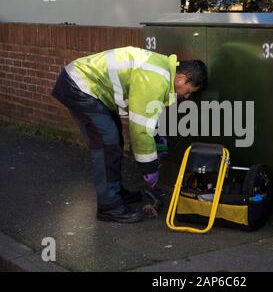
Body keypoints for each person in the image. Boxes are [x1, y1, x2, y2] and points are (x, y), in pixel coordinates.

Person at [51, 46, 208, 223]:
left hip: (89, 88)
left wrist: (158, 141)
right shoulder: (155, 79)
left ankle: (114, 191)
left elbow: (148, 115)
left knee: (114, 139)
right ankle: (109, 205)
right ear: (181, 78)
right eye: (188, 91)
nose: (186, 97)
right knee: (107, 142)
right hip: (78, 85)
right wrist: (150, 169)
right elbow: (140, 129)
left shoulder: (162, 71)